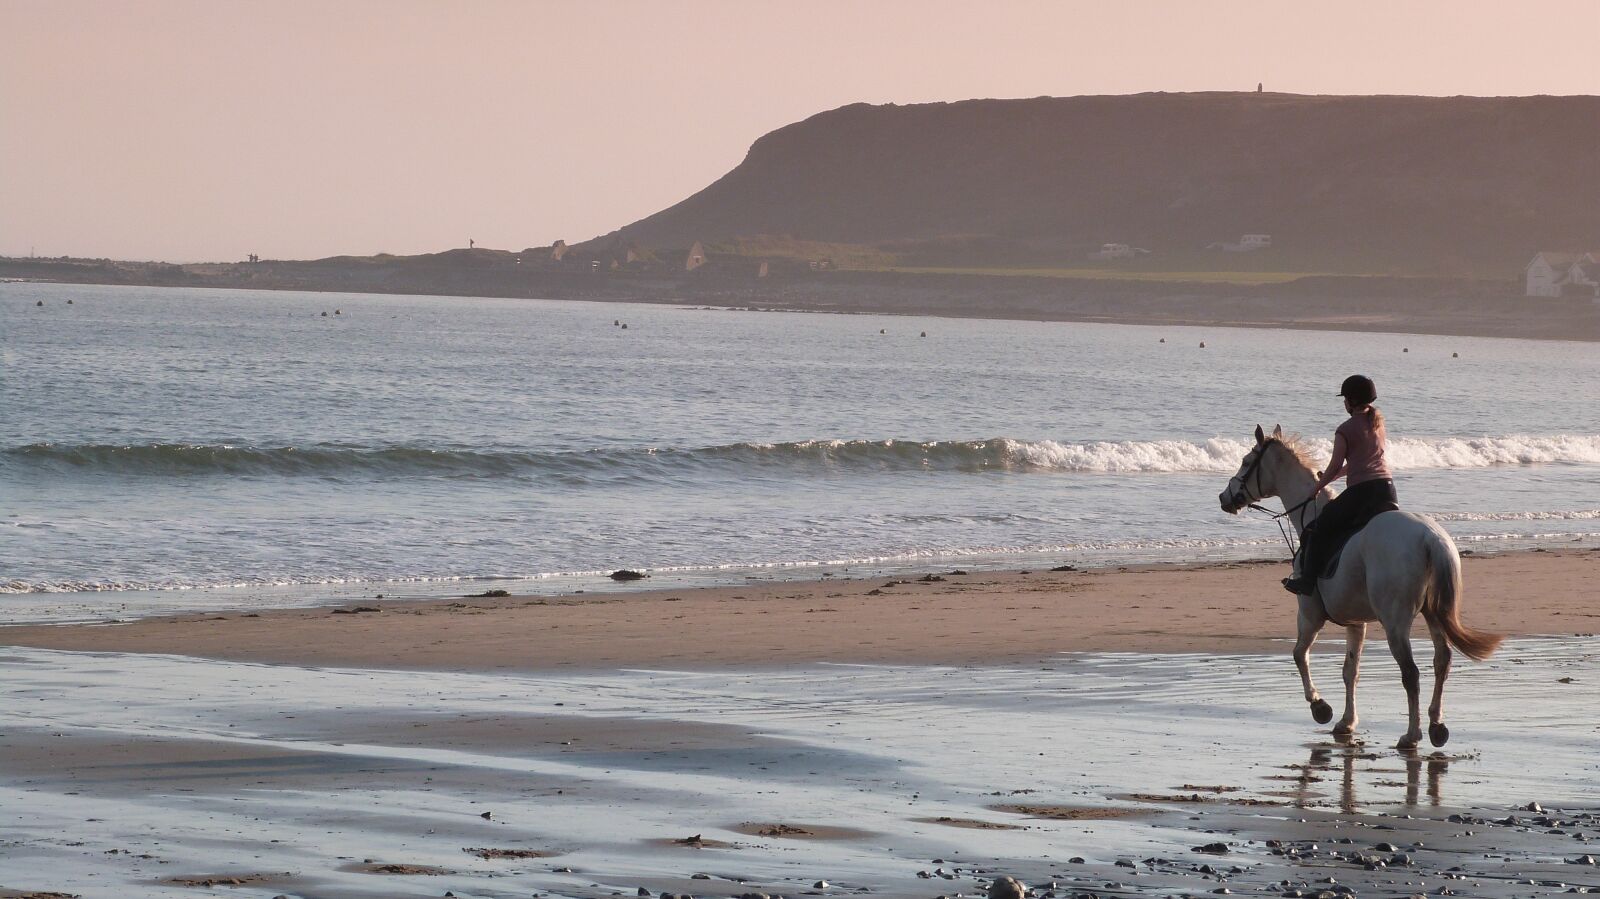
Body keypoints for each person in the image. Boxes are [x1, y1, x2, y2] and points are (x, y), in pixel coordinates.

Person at [1283, 374, 1397, 595]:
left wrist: (1314, 489)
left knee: (1315, 529)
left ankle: (1307, 582)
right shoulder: (1379, 424)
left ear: (1352, 401)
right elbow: (1358, 462)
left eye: (1345, 398)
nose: (1344, 403)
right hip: (1387, 491)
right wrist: (1332, 477)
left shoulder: (1345, 429)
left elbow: (1336, 464)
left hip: (1362, 494)